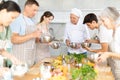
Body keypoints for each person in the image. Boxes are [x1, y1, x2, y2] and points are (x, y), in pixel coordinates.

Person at [10, 0, 41, 67]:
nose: (35, 13)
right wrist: (32, 35)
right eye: (34, 10)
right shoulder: (18, 19)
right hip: (20, 59)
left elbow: (32, 39)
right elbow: (13, 39)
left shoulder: (32, 21)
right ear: (27, 7)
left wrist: (37, 38)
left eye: (36, 11)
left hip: (30, 58)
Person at [96, 7, 120, 80]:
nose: (102, 24)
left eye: (103, 21)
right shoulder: (114, 30)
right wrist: (103, 54)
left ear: (111, 18)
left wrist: (108, 54)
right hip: (116, 69)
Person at [0, 0, 21, 77]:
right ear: (3, 11)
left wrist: (11, 57)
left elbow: (0, 49)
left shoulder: (6, 28)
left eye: (15, 18)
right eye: (12, 17)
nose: (13, 21)